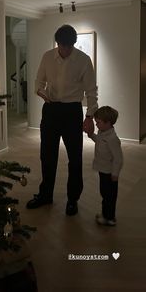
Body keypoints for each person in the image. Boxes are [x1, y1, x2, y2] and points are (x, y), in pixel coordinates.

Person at [26, 24, 98, 215]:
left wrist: (89, 116)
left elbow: (91, 91)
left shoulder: (83, 60)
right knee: (47, 155)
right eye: (62, 46)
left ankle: (73, 199)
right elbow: (38, 81)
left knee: (75, 157)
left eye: (69, 46)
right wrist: (42, 93)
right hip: (51, 109)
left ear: (74, 44)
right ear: (57, 42)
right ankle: (45, 195)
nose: (65, 50)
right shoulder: (47, 56)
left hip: (72, 111)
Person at [86, 106, 123, 226]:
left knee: (109, 196)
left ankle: (109, 218)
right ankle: (106, 215)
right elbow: (98, 140)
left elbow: (118, 158)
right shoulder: (103, 132)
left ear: (108, 122)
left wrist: (115, 173)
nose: (96, 125)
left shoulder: (112, 139)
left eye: (98, 122)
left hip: (109, 173)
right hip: (103, 170)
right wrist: (91, 135)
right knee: (105, 194)